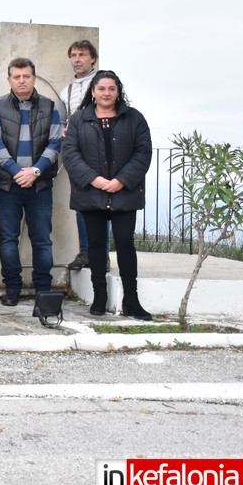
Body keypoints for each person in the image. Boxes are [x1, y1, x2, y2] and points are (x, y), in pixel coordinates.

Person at [62, 70, 153, 320]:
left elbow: (143, 152)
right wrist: (95, 180)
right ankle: (99, 297)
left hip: (125, 194)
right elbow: (70, 154)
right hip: (91, 194)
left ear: (118, 92)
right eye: (101, 88)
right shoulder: (79, 119)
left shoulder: (134, 118)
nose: (106, 93)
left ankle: (131, 300)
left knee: (125, 243)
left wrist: (121, 181)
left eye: (112, 88)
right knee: (96, 245)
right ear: (93, 91)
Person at [0, 57, 63, 307]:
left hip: (39, 186)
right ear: (9, 80)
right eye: (17, 77)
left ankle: (43, 289)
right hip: (8, 186)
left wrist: (36, 171)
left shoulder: (49, 107)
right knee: (8, 239)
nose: (22, 81)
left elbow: (55, 144)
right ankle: (12, 288)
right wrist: (17, 172)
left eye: (26, 76)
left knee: (42, 240)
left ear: (34, 78)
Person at [62, 40, 99, 273]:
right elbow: (63, 119)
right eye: (74, 55)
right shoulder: (66, 91)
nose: (77, 59)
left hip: (98, 150)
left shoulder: (102, 83)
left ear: (92, 58)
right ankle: (86, 252)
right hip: (76, 151)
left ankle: (100, 254)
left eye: (82, 55)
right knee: (81, 203)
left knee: (101, 204)